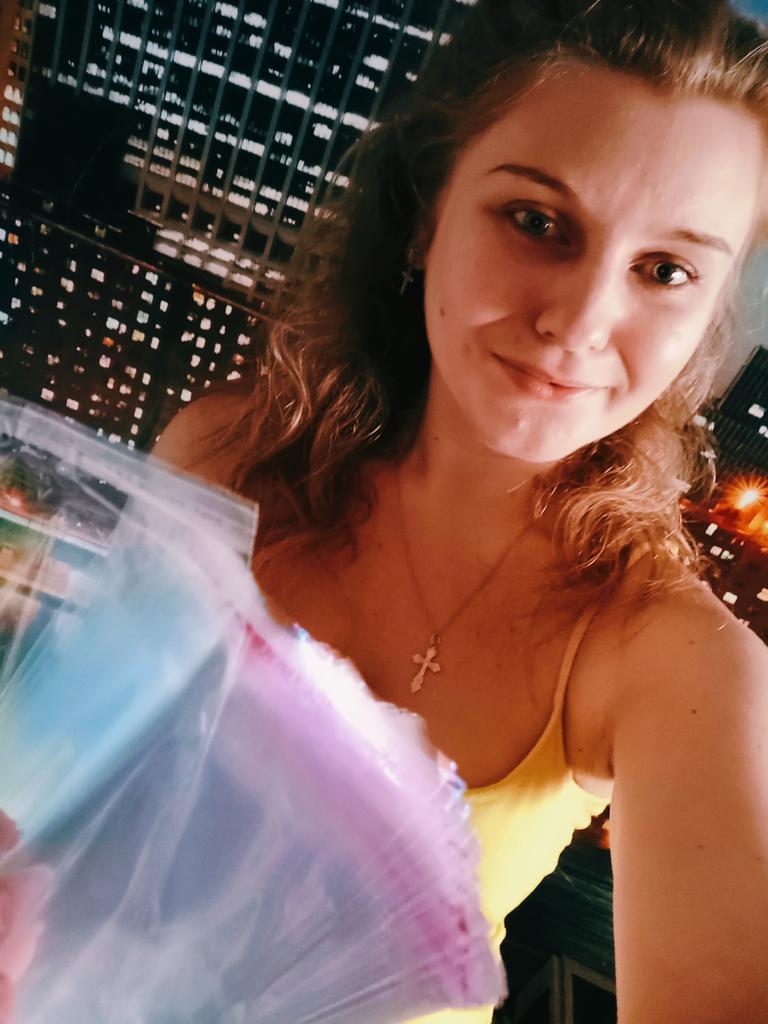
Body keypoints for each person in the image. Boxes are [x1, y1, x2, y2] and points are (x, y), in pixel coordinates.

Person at [153, 1, 768, 1022]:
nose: (579, 322)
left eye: (666, 271)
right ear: (426, 216)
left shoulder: (671, 661)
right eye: (536, 221)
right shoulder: (225, 462)